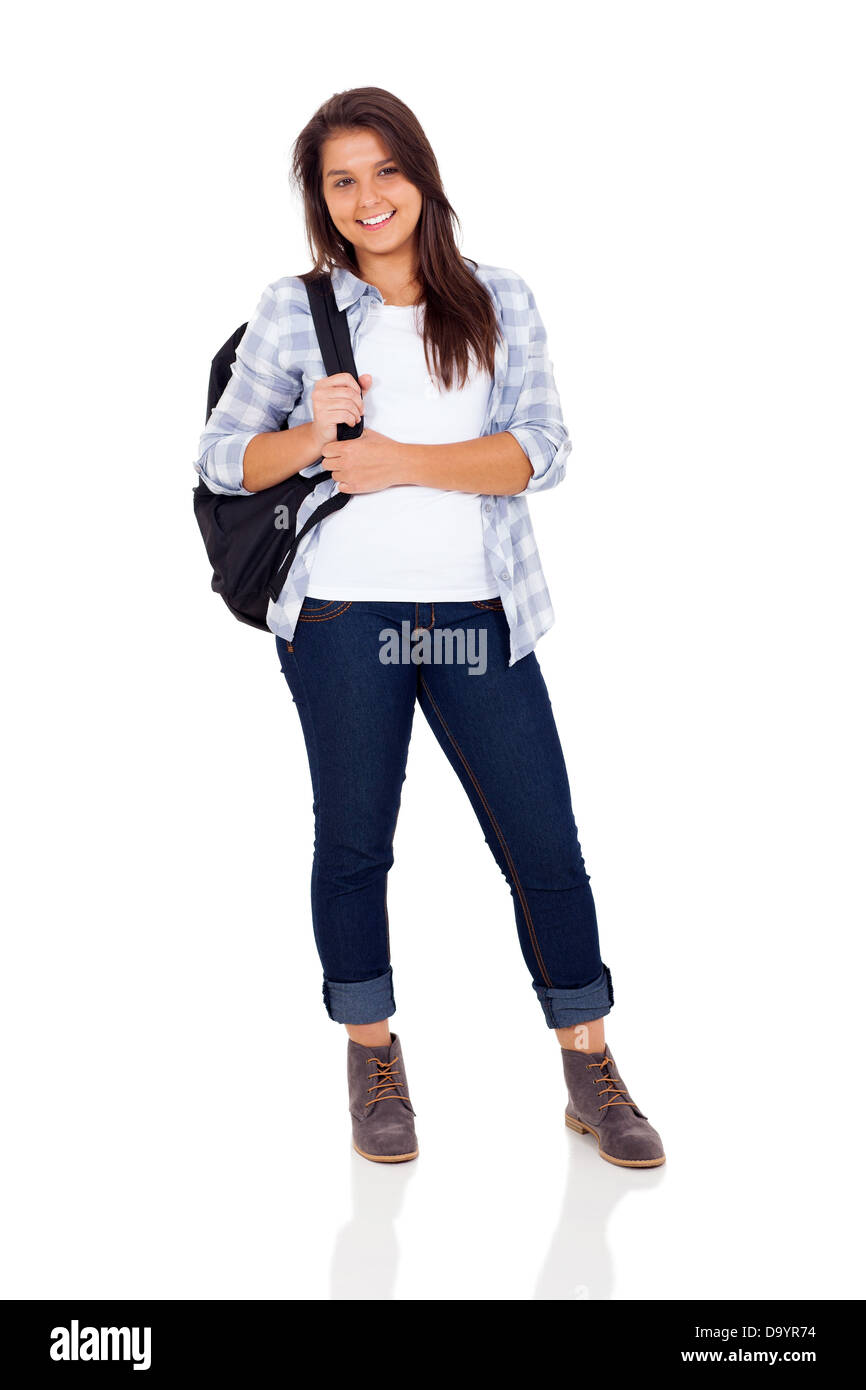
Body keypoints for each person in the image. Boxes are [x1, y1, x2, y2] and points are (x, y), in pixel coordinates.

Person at [193, 87, 665, 1169]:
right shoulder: (291, 309)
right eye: (341, 180)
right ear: (321, 198)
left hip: (476, 618)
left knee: (542, 840)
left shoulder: (499, 299)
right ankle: (371, 1056)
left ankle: (586, 1064)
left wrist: (398, 458)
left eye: (384, 171)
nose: (368, 197)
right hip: (344, 620)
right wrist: (309, 431)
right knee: (355, 841)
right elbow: (223, 460)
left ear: (421, 173)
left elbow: (539, 449)